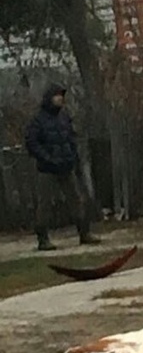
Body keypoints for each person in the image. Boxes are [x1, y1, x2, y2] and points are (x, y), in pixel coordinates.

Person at [24, 84, 100, 252]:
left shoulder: (64, 117)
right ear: (49, 98)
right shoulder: (38, 120)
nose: (60, 98)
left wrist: (73, 156)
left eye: (61, 96)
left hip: (66, 165)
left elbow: (71, 138)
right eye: (56, 96)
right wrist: (47, 158)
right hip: (47, 168)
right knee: (44, 204)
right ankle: (43, 238)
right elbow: (32, 143)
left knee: (76, 200)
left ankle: (84, 233)